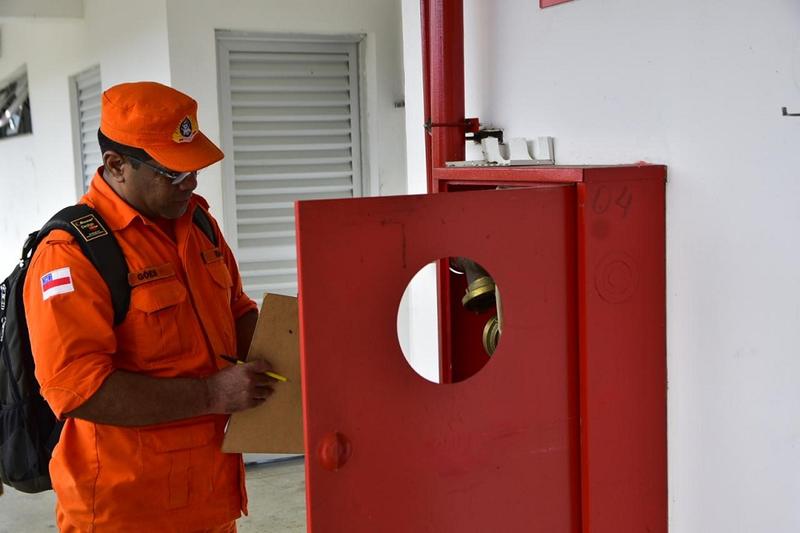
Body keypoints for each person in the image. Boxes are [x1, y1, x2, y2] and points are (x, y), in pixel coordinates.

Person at [22, 81, 276, 532]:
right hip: (126, 510)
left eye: (193, 169)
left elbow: (235, 311)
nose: (191, 183)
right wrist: (213, 394)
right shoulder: (72, 253)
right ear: (116, 165)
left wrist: (292, 347)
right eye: (173, 173)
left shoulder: (199, 224)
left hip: (211, 499)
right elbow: (78, 388)